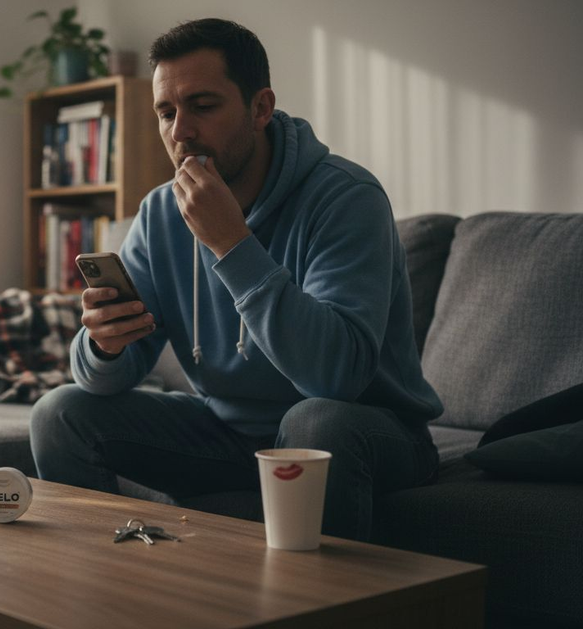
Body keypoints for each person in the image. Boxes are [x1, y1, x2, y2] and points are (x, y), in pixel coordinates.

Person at [29, 18, 443, 542]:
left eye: (202, 106)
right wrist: (105, 346)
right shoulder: (161, 212)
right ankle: (114, 594)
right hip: (227, 435)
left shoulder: (347, 197)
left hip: (365, 431)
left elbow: (336, 378)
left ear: (260, 108)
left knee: (315, 423)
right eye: (166, 112)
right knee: (59, 413)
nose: (180, 131)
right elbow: (107, 378)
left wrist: (232, 244)